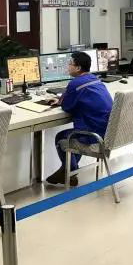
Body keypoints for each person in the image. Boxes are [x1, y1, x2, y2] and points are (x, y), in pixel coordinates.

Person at [45, 51, 113, 187]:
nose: (67, 66)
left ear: (78, 68)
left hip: (94, 136)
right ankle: (68, 172)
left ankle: (70, 171)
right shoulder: (95, 79)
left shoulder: (75, 83)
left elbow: (67, 107)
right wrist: (63, 99)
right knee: (72, 134)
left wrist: (61, 101)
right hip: (107, 131)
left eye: (70, 64)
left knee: (61, 137)